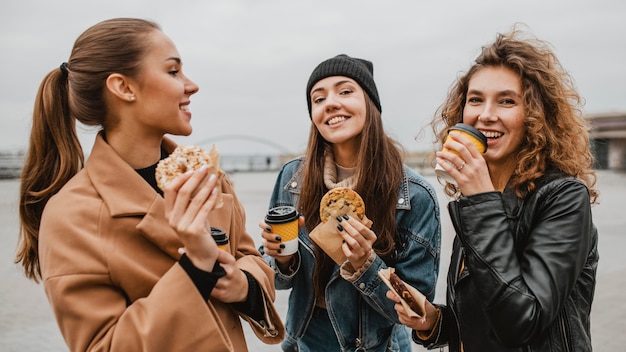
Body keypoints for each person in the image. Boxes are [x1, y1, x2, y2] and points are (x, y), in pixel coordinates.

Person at [15, 18, 284, 351]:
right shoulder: (71, 215)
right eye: (173, 72)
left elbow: (251, 259)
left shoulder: (208, 177)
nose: (192, 85)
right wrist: (195, 266)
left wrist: (243, 286)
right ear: (124, 88)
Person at [386, 27, 599, 351]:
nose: (486, 115)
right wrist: (434, 320)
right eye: (476, 100)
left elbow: (521, 323)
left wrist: (481, 200)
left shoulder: (563, 198)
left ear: (535, 115)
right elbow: (484, 320)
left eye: (506, 101)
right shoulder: (476, 202)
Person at [259, 54, 442, 351]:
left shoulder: (415, 195)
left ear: (370, 103)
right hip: (306, 339)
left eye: (345, 91)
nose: (330, 103)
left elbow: (416, 310)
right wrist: (280, 258)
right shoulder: (293, 178)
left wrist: (365, 264)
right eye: (318, 99)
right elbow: (277, 280)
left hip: (377, 345)